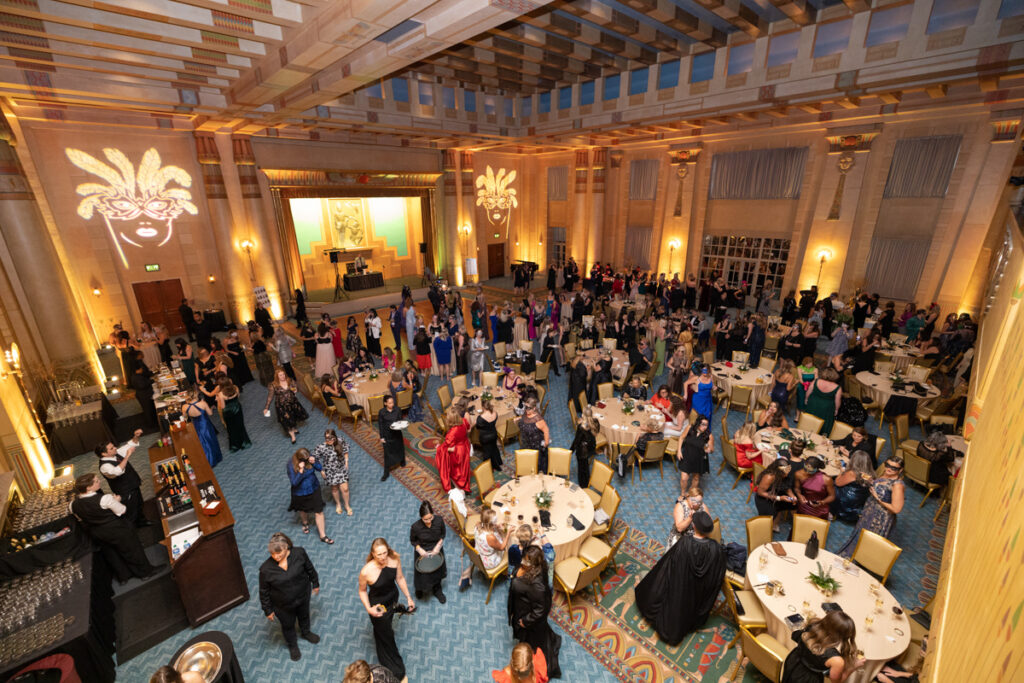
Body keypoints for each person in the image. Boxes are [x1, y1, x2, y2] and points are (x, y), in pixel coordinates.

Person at [634, 511, 726, 646]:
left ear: (694, 527)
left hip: (681, 587)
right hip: (698, 594)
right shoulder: (716, 548)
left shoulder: (685, 543)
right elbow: (717, 574)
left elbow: (670, 565)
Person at [69, 473, 158, 583]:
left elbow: (81, 519)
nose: (99, 481)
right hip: (117, 529)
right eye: (96, 481)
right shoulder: (105, 499)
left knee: (113, 554)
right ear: (88, 487)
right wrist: (117, 500)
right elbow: (122, 510)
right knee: (133, 550)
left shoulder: (72, 505)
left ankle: (124, 577)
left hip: (97, 533)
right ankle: (145, 572)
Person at [359, 538, 415, 681]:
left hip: (392, 599)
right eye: (379, 554)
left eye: (384, 553)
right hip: (378, 607)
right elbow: (362, 591)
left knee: (383, 630)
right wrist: (369, 609)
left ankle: (379, 631)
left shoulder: (394, 559)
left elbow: (400, 578)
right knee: (387, 636)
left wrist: (408, 597)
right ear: (372, 554)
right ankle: (397, 670)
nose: (383, 557)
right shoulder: (366, 571)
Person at [258, 532, 320, 662]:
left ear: (286, 548)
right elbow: (263, 591)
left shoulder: (299, 553)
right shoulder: (265, 569)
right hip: (282, 605)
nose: (275, 557)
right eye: (272, 554)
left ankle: (306, 632)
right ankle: (292, 645)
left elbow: (309, 568)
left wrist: (315, 583)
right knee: (287, 625)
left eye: (278, 553)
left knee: (304, 615)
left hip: (302, 595)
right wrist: (267, 610)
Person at [508, 546, 562, 678]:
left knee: (534, 643)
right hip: (520, 607)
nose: (522, 562)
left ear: (533, 564)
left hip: (528, 618)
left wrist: (525, 621)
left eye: (526, 561)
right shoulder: (528, 570)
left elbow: (541, 609)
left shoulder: (537, 585)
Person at [839, 456, 905, 556]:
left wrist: (878, 498)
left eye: (894, 468)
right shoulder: (885, 474)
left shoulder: (897, 485)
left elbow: (896, 509)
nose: (889, 469)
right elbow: (880, 487)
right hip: (869, 510)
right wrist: (871, 481)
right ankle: (853, 556)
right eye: (887, 465)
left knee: (869, 542)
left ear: (900, 470)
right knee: (860, 534)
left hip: (880, 518)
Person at [781, 610, 864, 682]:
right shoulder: (837, 660)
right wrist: (853, 667)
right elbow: (837, 681)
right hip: (807, 680)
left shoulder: (813, 625)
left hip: (793, 662)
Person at [96, 431, 148, 527]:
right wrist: (127, 456)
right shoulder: (104, 466)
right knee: (131, 512)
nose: (115, 448)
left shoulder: (116, 453)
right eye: (112, 448)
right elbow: (117, 471)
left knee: (139, 504)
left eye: (114, 446)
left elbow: (131, 444)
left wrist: (136, 436)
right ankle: (133, 532)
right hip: (125, 491)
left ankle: (142, 522)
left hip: (133, 484)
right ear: (104, 454)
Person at [287, 448, 333, 544]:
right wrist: (300, 470)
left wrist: (314, 462)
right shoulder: (291, 464)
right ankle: (305, 523)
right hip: (300, 493)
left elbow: (319, 468)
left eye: (308, 457)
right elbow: (294, 483)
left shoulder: (309, 457)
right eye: (305, 459)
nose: (308, 459)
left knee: (319, 511)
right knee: (303, 510)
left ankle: (322, 535)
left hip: (314, 489)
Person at [410, 501, 447, 604]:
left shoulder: (439, 520)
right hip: (423, 550)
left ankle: (437, 590)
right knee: (422, 575)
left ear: (433, 514)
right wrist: (419, 549)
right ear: (421, 517)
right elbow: (413, 541)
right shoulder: (415, 527)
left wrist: (438, 547)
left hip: (436, 548)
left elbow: (443, 534)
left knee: (436, 571)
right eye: (425, 519)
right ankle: (420, 588)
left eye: (430, 518)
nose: (428, 521)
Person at [314, 428, 352, 516]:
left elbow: (346, 449)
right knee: (334, 488)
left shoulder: (340, 440)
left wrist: (346, 461)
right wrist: (321, 470)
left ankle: (347, 505)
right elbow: (316, 459)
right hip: (330, 471)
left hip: (341, 468)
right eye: (327, 438)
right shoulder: (321, 447)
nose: (329, 440)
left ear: (335, 437)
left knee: (345, 489)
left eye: (331, 438)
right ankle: (338, 504)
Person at [265, 369, 308, 444]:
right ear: (277, 376)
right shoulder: (273, 385)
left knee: (293, 416)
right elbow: (270, 397)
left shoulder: (289, 380)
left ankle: (294, 428)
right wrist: (266, 408)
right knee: (287, 420)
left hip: (293, 403)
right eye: (280, 375)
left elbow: (295, 388)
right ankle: (292, 436)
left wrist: (295, 390)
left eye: (283, 374)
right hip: (282, 406)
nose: (283, 376)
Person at [831, 450, 874, 523]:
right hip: (859, 499)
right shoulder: (870, 473)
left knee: (830, 484)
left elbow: (837, 483)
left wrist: (841, 472)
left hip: (847, 500)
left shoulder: (852, 473)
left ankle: (832, 512)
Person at [753, 459, 797, 530]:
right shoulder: (769, 477)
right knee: (769, 516)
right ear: (777, 472)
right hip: (764, 498)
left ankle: (775, 525)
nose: (786, 475)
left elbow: (787, 487)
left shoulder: (785, 474)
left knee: (793, 504)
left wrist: (792, 496)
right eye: (784, 473)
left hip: (777, 494)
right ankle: (763, 531)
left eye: (787, 473)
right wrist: (779, 498)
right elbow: (760, 492)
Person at [183, 389, 223, 467]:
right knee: (210, 440)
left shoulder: (184, 407)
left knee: (202, 442)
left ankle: (206, 459)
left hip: (196, 425)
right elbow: (210, 414)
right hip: (205, 424)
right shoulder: (202, 403)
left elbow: (185, 417)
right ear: (196, 395)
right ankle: (214, 458)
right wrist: (211, 408)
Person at [676, 414, 713, 493]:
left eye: (706, 425)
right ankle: (682, 494)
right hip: (687, 456)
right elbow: (681, 437)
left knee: (696, 478)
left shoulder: (708, 435)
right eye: (703, 424)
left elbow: (711, 449)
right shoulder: (690, 428)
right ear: (698, 423)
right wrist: (679, 450)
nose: (705, 427)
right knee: (684, 478)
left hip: (699, 459)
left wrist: (709, 450)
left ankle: (691, 493)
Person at [803, 367, 842, 435]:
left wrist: (806, 399)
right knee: (825, 423)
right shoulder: (837, 387)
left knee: (810, 419)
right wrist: (836, 409)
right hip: (827, 407)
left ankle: (807, 432)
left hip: (813, 403)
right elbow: (837, 401)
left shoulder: (816, 381)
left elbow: (808, 391)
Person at [216, 377, 251, 452]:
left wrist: (218, 400)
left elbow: (223, 406)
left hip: (228, 412)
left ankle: (235, 446)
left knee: (231, 429)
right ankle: (245, 442)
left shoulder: (221, 394)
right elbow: (238, 397)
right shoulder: (235, 388)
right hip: (237, 408)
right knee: (240, 425)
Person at [517, 397, 550, 473]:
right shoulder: (525, 414)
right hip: (525, 444)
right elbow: (523, 419)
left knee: (535, 467)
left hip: (535, 447)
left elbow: (546, 430)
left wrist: (546, 442)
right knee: (525, 464)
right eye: (526, 407)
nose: (527, 410)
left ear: (534, 408)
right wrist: (518, 419)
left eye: (529, 408)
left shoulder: (538, 420)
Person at [378, 394, 406, 481]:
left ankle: (402, 460)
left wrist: (401, 426)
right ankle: (386, 472)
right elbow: (381, 425)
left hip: (397, 433)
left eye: (392, 402)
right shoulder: (382, 412)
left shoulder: (397, 410)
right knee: (387, 453)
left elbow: (400, 421)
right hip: (387, 434)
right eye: (389, 403)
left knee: (399, 448)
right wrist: (382, 437)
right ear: (385, 403)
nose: (392, 405)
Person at [570, 408, 600, 487]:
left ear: (583, 415)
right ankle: (587, 481)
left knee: (581, 468)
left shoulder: (581, 427)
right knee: (586, 467)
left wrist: (571, 450)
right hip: (590, 448)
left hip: (582, 451)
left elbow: (577, 440)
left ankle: (583, 485)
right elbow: (597, 432)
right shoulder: (595, 422)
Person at [130, 355, 158, 428]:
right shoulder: (137, 377)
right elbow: (143, 385)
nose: (142, 370)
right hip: (143, 395)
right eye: (141, 369)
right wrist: (151, 381)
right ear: (138, 369)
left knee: (149, 409)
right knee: (147, 411)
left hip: (143, 394)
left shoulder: (135, 375)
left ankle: (153, 422)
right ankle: (151, 425)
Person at [476, 399, 502, 470]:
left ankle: (488, 467)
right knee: (494, 447)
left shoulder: (480, 418)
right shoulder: (495, 413)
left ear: (483, 407)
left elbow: (478, 427)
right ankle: (498, 462)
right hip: (494, 434)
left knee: (487, 451)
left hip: (485, 437)